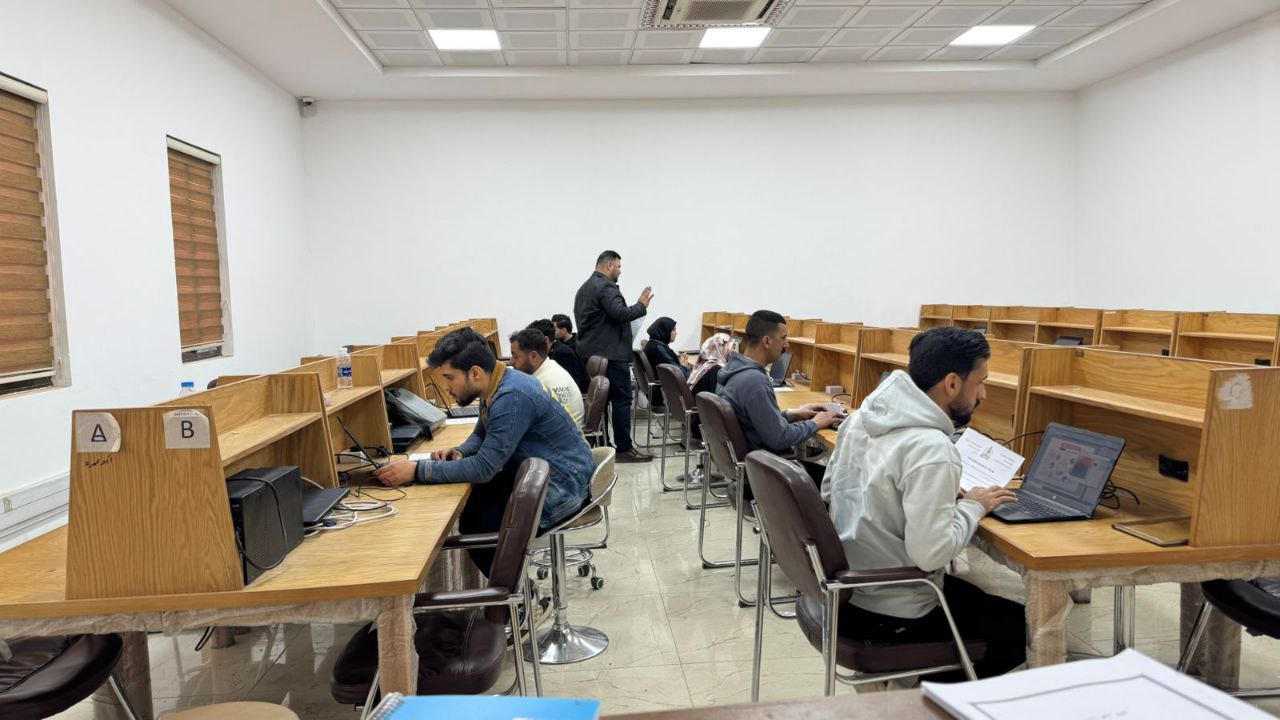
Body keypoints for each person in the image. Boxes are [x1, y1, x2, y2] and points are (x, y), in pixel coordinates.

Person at [821, 327, 1024, 681]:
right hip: (894, 612)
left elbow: (829, 489)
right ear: (952, 383)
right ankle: (919, 691)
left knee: (979, 598)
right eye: (980, 382)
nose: (984, 394)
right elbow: (930, 556)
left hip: (847, 593)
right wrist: (973, 506)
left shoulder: (858, 420)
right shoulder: (932, 449)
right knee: (1020, 629)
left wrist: (930, 498)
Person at [373, 327, 593, 574]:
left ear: (475, 373)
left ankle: (509, 594)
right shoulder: (499, 382)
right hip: (548, 473)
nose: (446, 387)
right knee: (475, 507)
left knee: (477, 523)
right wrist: (460, 452)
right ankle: (514, 588)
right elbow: (481, 433)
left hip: (562, 488)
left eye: (449, 378)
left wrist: (417, 470)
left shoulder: (512, 396)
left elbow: (484, 468)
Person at [716, 310, 840, 485]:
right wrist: (816, 423)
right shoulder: (754, 381)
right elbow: (779, 438)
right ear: (767, 341)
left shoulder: (732, 371)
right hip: (768, 475)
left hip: (753, 466)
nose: (787, 344)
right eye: (783, 338)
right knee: (840, 482)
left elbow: (756, 422)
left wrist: (792, 414)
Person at [574, 250, 654, 463]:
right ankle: (624, 449)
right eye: (618, 266)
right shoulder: (606, 287)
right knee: (621, 400)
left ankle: (604, 445)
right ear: (609, 265)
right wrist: (641, 306)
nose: (620, 271)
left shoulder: (584, 289)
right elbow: (620, 313)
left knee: (601, 402)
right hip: (610, 356)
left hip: (591, 355)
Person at [509, 327, 585, 428]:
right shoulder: (546, 368)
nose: (511, 361)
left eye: (516, 356)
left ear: (533, 356)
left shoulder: (551, 382)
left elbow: (556, 426)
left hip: (562, 435)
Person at [530, 318, 588, 393]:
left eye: (533, 341)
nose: (531, 345)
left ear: (546, 340)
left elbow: (571, 385)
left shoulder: (562, 353)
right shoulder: (554, 349)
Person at [643, 316, 691, 408]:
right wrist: (684, 365)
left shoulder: (653, 344)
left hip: (657, 392)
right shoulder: (659, 349)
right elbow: (681, 374)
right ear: (664, 331)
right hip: (663, 395)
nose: (676, 333)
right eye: (673, 330)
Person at [688, 332, 734, 397]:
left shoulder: (704, 363)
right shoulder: (716, 370)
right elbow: (717, 397)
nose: (732, 350)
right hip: (700, 403)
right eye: (729, 346)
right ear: (719, 348)